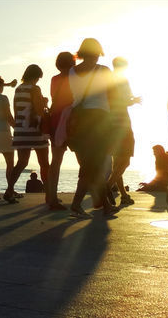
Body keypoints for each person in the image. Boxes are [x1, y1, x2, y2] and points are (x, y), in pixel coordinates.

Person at [65, 38, 117, 217]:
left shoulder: (72, 71)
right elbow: (112, 95)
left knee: (92, 164)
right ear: (97, 51)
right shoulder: (103, 70)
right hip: (99, 119)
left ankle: (105, 206)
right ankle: (76, 204)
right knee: (92, 166)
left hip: (79, 120)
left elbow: (74, 96)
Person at [5, 64, 51, 204]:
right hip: (35, 129)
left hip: (21, 129)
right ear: (36, 77)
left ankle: (9, 190)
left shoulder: (18, 89)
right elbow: (38, 110)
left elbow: (16, 109)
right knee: (44, 163)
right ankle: (49, 195)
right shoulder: (35, 89)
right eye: (38, 78)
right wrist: (45, 104)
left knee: (22, 162)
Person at [43, 51, 76, 211]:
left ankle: (52, 196)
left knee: (55, 161)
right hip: (72, 120)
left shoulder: (54, 79)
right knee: (84, 160)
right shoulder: (75, 77)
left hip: (56, 120)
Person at [107, 57, 141, 207]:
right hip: (122, 123)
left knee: (117, 164)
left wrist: (131, 99)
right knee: (125, 161)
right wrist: (135, 100)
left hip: (109, 124)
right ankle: (107, 187)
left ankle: (124, 195)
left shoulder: (107, 80)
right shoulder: (123, 80)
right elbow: (125, 100)